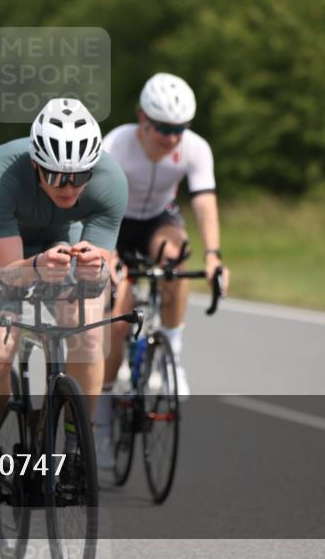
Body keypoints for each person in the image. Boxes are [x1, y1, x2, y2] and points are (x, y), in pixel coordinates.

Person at [0, 98, 128, 510]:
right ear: (36, 164)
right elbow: (5, 276)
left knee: (89, 337)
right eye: (55, 176)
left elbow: (105, 271)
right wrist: (36, 265)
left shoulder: (110, 181)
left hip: (62, 236)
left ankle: (75, 448)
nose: (68, 187)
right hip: (3, 246)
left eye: (79, 177)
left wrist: (96, 268)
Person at [94, 72, 231, 467]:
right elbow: (95, 204)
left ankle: (172, 353)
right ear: (142, 117)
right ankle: (101, 420)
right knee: (118, 321)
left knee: (176, 259)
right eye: (164, 129)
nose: (172, 137)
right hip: (115, 223)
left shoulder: (195, 148)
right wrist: (106, 256)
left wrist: (214, 255)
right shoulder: (115, 144)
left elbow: (204, 201)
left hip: (158, 219)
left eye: (180, 129)